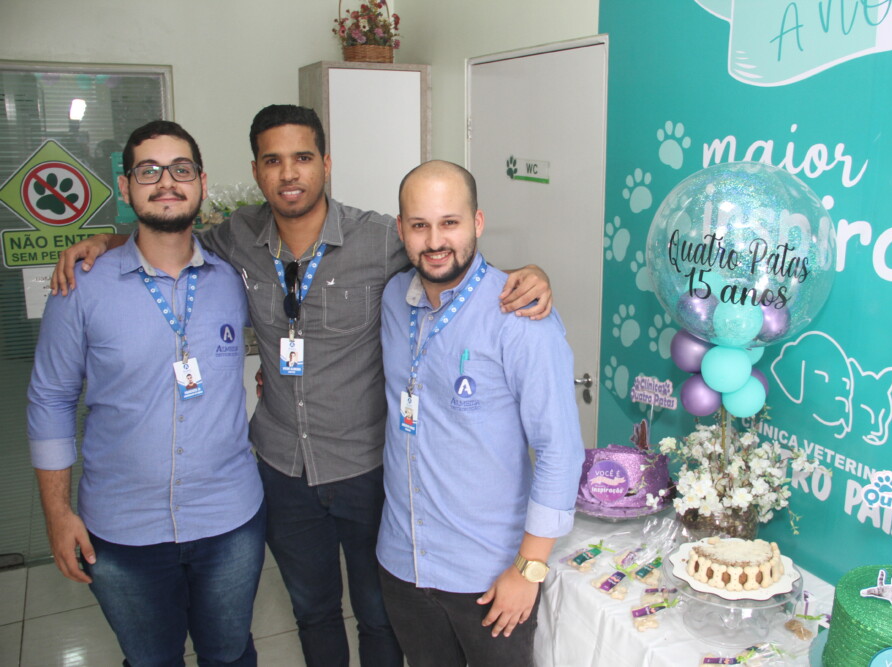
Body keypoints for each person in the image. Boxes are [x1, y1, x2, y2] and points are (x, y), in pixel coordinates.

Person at [50, 105, 552, 667]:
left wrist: (529, 275)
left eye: (303, 158)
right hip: (282, 469)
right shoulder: (234, 239)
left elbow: (448, 257)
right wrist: (106, 241)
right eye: (273, 161)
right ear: (256, 171)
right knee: (313, 612)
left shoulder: (378, 238)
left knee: (379, 617)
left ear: (326, 164)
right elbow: (167, 235)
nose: (289, 173)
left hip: (366, 467)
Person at [28, 120, 265, 666]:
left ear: (201, 183)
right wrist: (57, 513)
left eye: (181, 169)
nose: (166, 182)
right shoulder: (81, 286)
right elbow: (50, 400)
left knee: (230, 654)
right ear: (125, 186)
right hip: (122, 531)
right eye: (148, 171)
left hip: (229, 520)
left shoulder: (234, 280)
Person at [377, 160, 584, 667]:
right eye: (420, 225)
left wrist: (529, 569)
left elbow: (560, 450)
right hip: (403, 562)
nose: (435, 241)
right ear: (400, 228)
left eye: (449, 222)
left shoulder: (521, 317)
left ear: (477, 222)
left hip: (491, 578)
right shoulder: (393, 299)